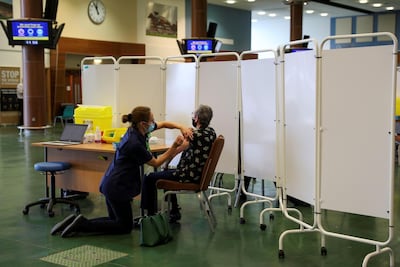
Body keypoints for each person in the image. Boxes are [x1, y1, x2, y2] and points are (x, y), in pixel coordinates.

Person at [51, 106, 190, 237]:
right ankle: (82, 224)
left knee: (115, 220)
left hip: (111, 182)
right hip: (117, 187)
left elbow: (164, 124)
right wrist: (175, 146)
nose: (154, 123)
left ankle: (77, 221)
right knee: (124, 226)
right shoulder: (134, 143)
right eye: (152, 121)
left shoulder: (135, 131)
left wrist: (181, 127)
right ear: (143, 124)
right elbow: (156, 162)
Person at [141, 104, 216, 222]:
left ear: (196, 118)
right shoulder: (211, 133)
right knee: (167, 173)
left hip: (186, 175)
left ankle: (149, 216)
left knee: (149, 177)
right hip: (197, 175)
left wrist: (166, 163)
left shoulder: (193, 136)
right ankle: (174, 210)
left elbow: (176, 150)